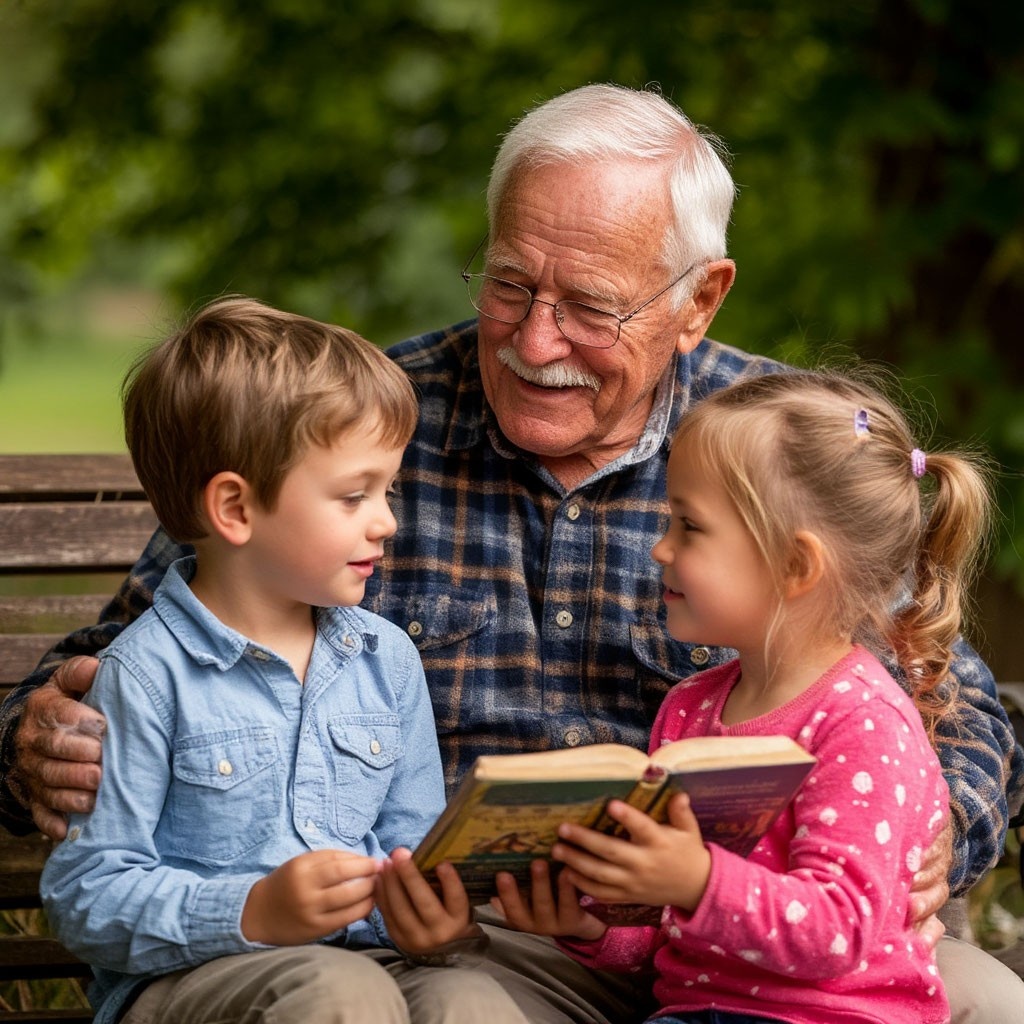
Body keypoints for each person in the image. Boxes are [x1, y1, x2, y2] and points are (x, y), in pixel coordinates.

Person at [2, 84, 1022, 1023]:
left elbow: (957, 703)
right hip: (493, 939)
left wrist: (931, 841)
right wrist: (37, 735)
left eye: (588, 305)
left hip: (758, 930)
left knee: (983, 1001)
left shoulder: (775, 450)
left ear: (698, 300)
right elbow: (125, 655)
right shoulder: (359, 432)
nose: (535, 341)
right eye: (509, 285)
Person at [37, 297, 527, 1024]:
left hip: (367, 962)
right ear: (235, 509)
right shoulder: (146, 675)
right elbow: (86, 895)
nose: (387, 519)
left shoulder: (385, 659)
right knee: (338, 994)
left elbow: (411, 852)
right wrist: (253, 909)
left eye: (387, 491)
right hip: (195, 980)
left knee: (470, 998)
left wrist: (429, 920)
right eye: (355, 494)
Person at [493, 369, 995, 1024]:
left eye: (690, 527)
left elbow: (838, 931)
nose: (660, 547)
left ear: (796, 565)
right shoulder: (692, 708)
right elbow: (676, 931)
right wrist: (594, 927)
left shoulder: (864, 723)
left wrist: (696, 879)